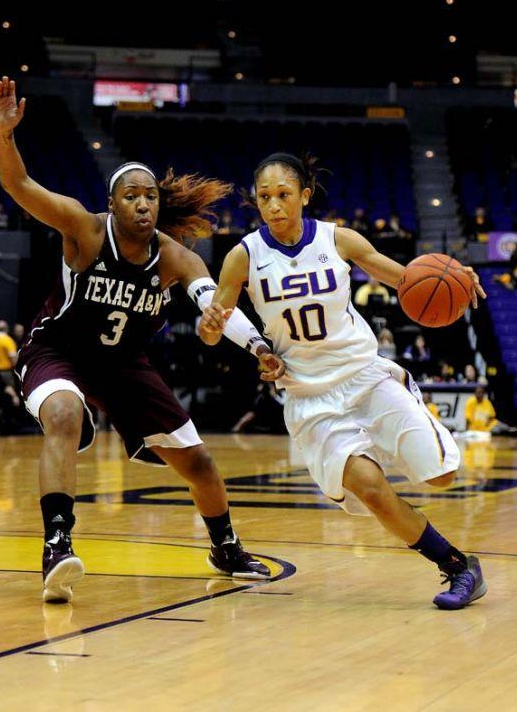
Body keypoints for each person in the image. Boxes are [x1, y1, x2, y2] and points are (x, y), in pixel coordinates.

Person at [0, 76, 272, 602]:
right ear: (113, 204)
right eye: (131, 196)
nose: (143, 205)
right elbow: (20, 187)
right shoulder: (85, 228)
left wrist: (256, 346)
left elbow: (216, 303)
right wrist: (5, 135)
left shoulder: (175, 257)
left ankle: (225, 546)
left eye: (149, 197)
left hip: (122, 364)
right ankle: (57, 543)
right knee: (65, 417)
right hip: (59, 352)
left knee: (201, 464)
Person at [200, 151, 488, 610]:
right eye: (264, 197)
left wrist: (454, 274)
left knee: (443, 475)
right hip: (310, 399)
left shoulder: (338, 239)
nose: (274, 206)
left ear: (305, 196)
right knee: (373, 491)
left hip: (365, 376)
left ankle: (405, 442)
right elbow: (217, 325)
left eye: (284, 195)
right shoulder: (243, 256)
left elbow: (406, 279)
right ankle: (458, 566)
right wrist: (212, 327)